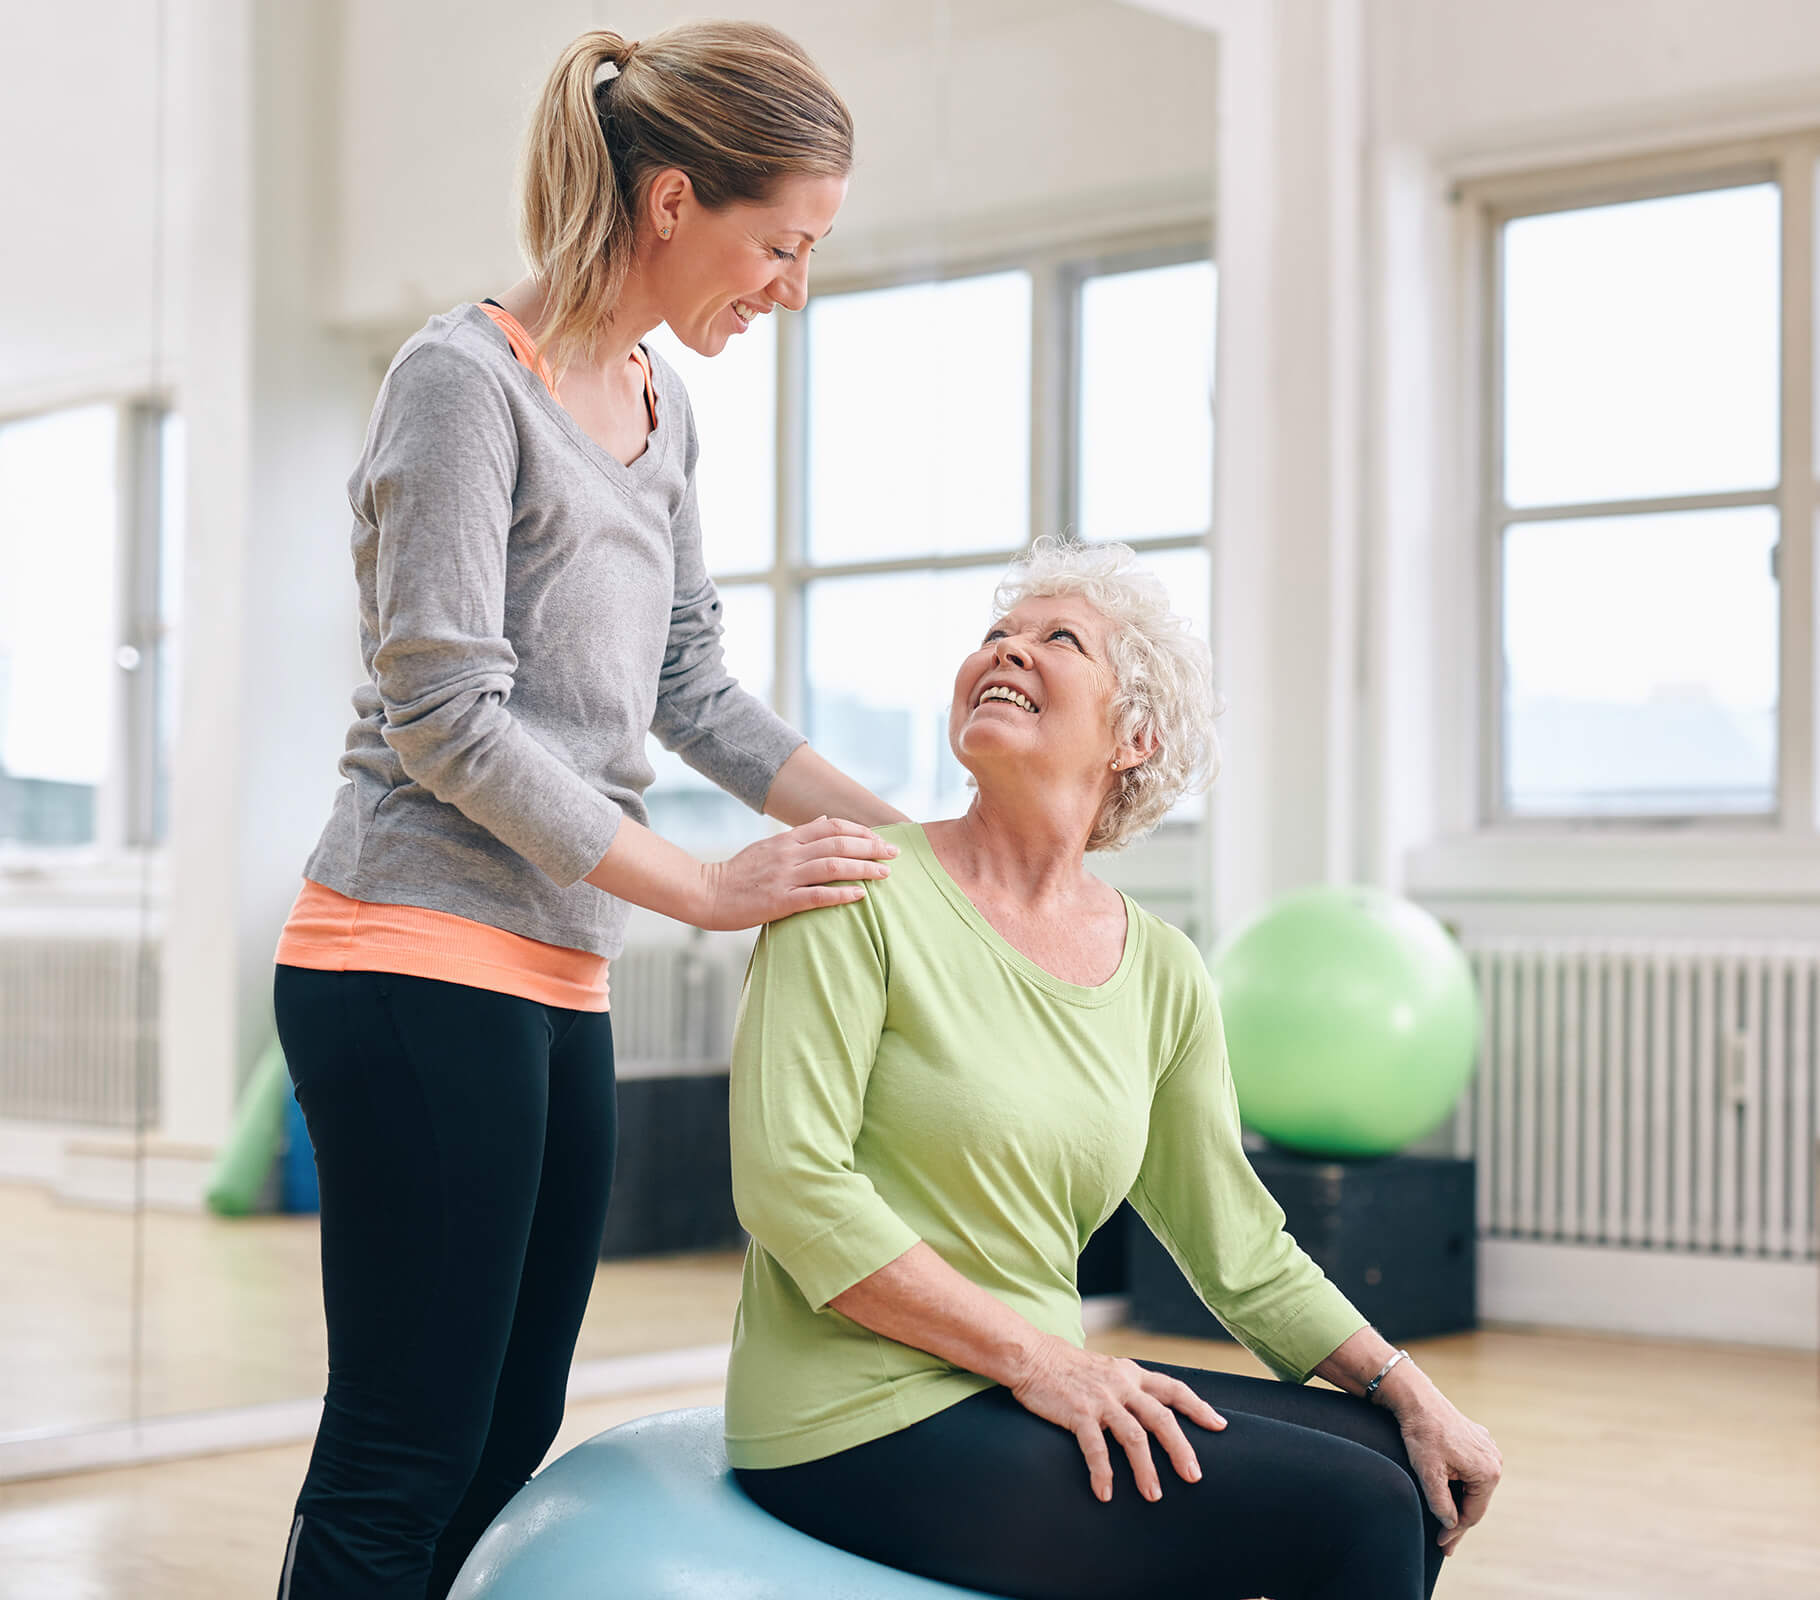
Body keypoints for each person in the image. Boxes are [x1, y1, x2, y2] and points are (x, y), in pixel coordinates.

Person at [270, 23, 902, 1599]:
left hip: (557, 975)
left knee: (506, 1429)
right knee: (406, 1442)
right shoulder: (459, 384)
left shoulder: (658, 410)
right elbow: (444, 720)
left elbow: (693, 687)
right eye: (783, 245)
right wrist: (703, 889)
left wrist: (917, 845)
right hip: (407, 958)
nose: (792, 289)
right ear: (676, 200)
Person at [725, 537, 1503, 1600]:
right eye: (995, 634)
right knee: (1354, 1508)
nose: (1006, 651)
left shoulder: (1160, 969)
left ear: (1132, 735)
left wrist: (1408, 1387)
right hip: (858, 1410)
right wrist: (1045, 1362)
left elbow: (1239, 1248)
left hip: (1038, 1384)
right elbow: (791, 1186)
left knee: (1394, 1466)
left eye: (1058, 639)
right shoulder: (856, 887)